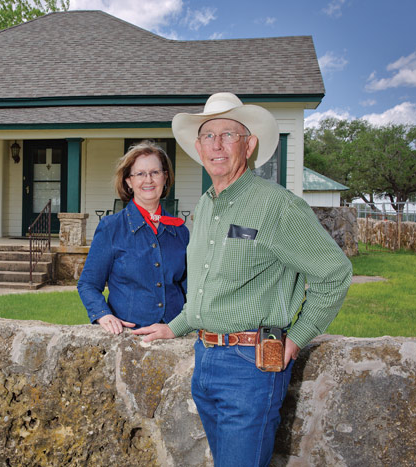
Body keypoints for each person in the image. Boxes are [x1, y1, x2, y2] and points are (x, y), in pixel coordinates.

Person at [132, 93, 352, 466]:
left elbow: (334, 274)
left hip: (250, 367)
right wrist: (175, 327)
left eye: (228, 134)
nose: (216, 144)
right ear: (199, 147)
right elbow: (207, 286)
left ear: (248, 145)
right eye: (207, 135)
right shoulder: (203, 207)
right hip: (205, 360)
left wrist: (297, 338)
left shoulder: (277, 206)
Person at [78, 141, 190, 335]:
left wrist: (179, 326)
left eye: (155, 172)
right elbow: (88, 284)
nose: (149, 180)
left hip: (173, 335)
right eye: (140, 174)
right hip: (129, 338)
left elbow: (190, 288)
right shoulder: (111, 228)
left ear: (165, 177)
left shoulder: (179, 230)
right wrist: (103, 314)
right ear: (129, 181)